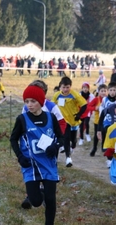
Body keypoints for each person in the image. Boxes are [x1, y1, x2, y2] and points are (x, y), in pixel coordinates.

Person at [10, 85, 64, 225]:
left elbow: (61, 137)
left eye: (33, 101)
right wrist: (20, 156)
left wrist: (55, 146)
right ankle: (38, 192)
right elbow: (13, 139)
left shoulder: (51, 118)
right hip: (31, 166)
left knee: (51, 199)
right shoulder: (22, 119)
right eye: (27, 101)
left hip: (48, 164)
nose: (29, 104)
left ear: (41, 101)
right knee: (35, 201)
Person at [19, 80, 66, 209]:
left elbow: (62, 123)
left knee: (47, 170)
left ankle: (47, 193)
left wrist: (55, 141)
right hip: (33, 146)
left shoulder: (51, 106)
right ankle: (31, 195)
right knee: (32, 168)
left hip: (49, 145)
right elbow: (23, 124)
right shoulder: (27, 107)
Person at [52, 77, 87, 167]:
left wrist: (79, 114)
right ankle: (68, 158)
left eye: (67, 87)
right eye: (63, 87)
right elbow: (51, 106)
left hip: (74, 120)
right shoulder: (57, 95)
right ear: (60, 87)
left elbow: (84, 104)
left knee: (73, 140)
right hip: (63, 120)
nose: (65, 89)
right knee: (66, 137)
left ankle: (72, 146)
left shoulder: (74, 94)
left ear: (70, 87)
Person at [88, 84, 107, 156]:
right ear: (98, 92)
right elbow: (89, 106)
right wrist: (95, 108)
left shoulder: (108, 99)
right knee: (96, 135)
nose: (103, 93)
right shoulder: (96, 99)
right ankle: (94, 148)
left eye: (105, 91)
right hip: (97, 121)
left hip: (106, 121)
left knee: (104, 134)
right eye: (102, 91)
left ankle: (103, 147)